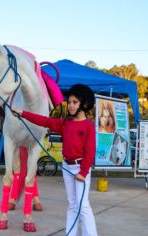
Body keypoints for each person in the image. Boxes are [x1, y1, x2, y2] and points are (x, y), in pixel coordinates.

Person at [12, 84, 98, 236]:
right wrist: (23, 113)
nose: (70, 105)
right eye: (69, 102)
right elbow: (45, 121)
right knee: (72, 205)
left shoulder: (88, 126)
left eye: (74, 102)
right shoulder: (66, 123)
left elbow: (90, 152)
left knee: (82, 205)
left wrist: (83, 172)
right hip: (67, 168)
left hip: (80, 169)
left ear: (84, 104)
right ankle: (70, 233)